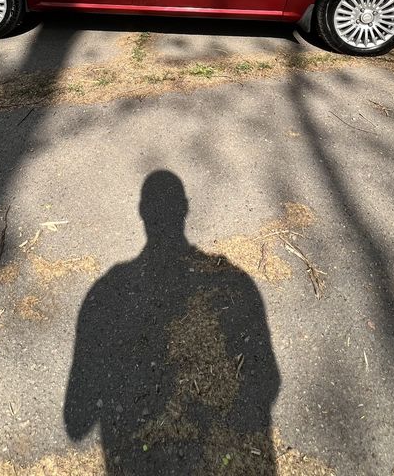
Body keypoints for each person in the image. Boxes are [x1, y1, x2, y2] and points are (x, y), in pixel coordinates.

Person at [64, 171, 280, 474]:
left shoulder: (108, 290)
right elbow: (267, 382)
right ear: (185, 209)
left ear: (141, 212)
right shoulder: (235, 282)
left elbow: (77, 423)